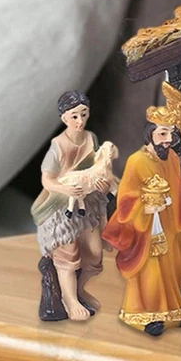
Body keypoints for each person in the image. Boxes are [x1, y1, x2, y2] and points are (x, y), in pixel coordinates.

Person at [102, 106, 181, 336]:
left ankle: (172, 313)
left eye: (171, 133)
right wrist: (145, 207)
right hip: (145, 228)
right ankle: (144, 315)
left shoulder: (172, 159)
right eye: (163, 133)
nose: (168, 139)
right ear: (149, 133)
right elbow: (125, 199)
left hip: (167, 223)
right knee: (150, 273)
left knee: (168, 269)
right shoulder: (136, 161)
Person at [32, 91, 111, 321]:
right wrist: (65, 189)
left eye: (83, 114)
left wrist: (102, 184)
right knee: (68, 253)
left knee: (94, 254)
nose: (80, 120)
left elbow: (99, 170)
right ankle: (69, 299)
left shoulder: (91, 139)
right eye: (74, 116)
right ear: (64, 118)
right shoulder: (58, 145)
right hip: (61, 208)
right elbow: (47, 180)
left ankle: (79, 289)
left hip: (87, 205)